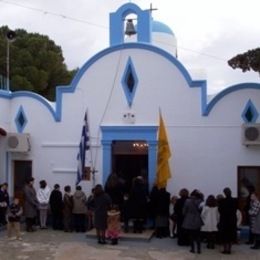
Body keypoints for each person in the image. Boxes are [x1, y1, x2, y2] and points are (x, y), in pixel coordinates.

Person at [182, 189, 204, 254]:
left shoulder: (187, 201)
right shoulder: (201, 201)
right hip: (197, 219)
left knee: (191, 235)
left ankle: (192, 249)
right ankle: (199, 250)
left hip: (189, 219)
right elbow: (202, 211)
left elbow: (184, 211)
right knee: (198, 235)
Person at [218, 187, 238, 254]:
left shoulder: (221, 201)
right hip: (232, 219)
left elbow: (220, 211)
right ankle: (229, 249)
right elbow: (236, 209)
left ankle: (225, 249)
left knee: (224, 235)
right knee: (231, 235)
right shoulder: (235, 200)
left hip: (224, 220)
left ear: (224, 193)